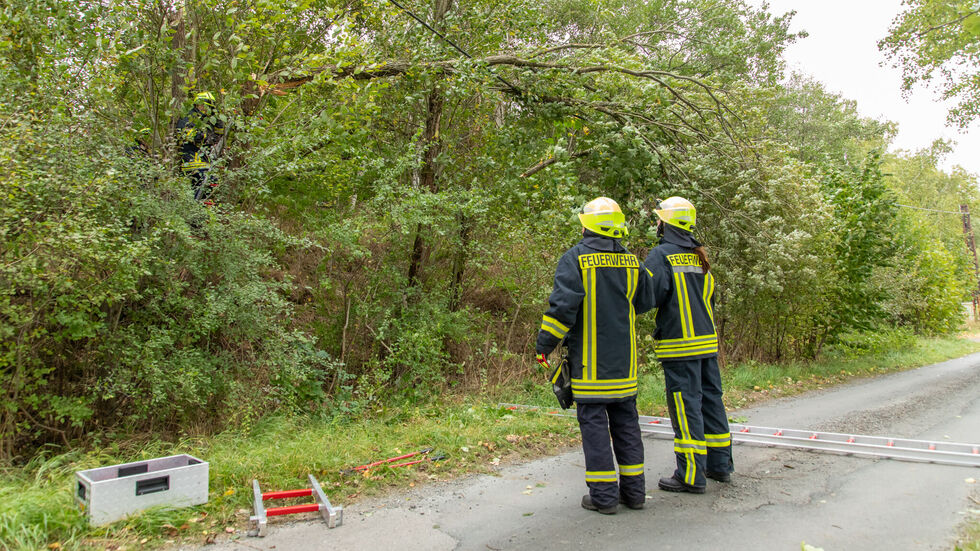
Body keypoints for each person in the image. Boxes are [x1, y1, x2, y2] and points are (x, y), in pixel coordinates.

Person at [536, 197, 656, 514]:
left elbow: (562, 310)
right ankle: (635, 494)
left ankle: (603, 498)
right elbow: (645, 300)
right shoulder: (633, 262)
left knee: (594, 427)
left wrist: (544, 344)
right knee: (627, 427)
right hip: (625, 366)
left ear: (586, 224)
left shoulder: (574, 259)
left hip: (590, 367)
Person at [643, 196, 733, 494]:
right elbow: (710, 300)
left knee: (685, 408)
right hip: (707, 343)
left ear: (666, 223)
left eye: (659, 218)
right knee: (711, 402)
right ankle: (719, 465)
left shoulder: (661, 255)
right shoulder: (699, 256)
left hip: (680, 345)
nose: (656, 223)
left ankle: (691, 474)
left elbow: (646, 298)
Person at [176, 91, 225, 201]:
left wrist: (218, 119)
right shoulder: (189, 117)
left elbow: (220, 132)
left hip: (203, 160)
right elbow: (184, 133)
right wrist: (203, 135)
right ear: (200, 104)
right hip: (192, 159)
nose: (207, 109)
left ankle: (202, 211)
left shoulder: (207, 119)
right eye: (207, 106)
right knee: (206, 182)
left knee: (211, 184)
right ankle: (196, 208)